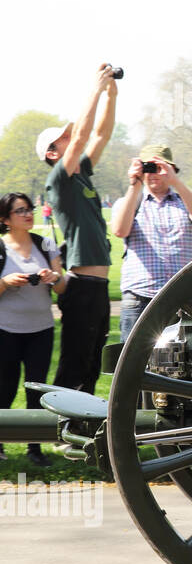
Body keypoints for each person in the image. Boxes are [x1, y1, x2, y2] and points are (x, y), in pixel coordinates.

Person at [38, 63, 119, 394]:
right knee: (74, 360)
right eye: (64, 139)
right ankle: (58, 430)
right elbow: (85, 134)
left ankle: (80, 433)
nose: (72, 139)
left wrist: (112, 94)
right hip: (81, 286)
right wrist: (96, 89)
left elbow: (100, 134)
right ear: (51, 153)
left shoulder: (81, 174)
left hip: (98, 285)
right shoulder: (58, 179)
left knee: (91, 362)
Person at [109, 145, 192, 340]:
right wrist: (135, 184)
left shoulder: (184, 199)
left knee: (183, 361)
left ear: (170, 168)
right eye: (148, 167)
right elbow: (120, 230)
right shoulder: (129, 201)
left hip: (183, 296)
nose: (153, 173)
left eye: (158, 167)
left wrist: (176, 182)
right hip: (140, 296)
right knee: (134, 364)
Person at [0, 192, 68, 465]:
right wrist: (6, 282)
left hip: (41, 328)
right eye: (20, 211)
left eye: (30, 209)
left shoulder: (46, 243)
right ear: (5, 219)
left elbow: (62, 287)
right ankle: (1, 445)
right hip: (6, 329)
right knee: (4, 388)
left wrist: (54, 278)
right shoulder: (1, 247)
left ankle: (34, 448)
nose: (29, 214)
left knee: (36, 389)